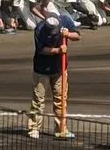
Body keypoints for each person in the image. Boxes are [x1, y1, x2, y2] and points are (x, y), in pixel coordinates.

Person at [29, 8, 80, 140]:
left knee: (61, 99)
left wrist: (68, 35)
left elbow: (77, 36)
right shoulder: (39, 29)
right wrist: (58, 50)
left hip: (59, 69)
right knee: (38, 100)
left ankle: (61, 128)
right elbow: (41, 49)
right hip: (41, 70)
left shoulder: (65, 21)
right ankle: (34, 128)